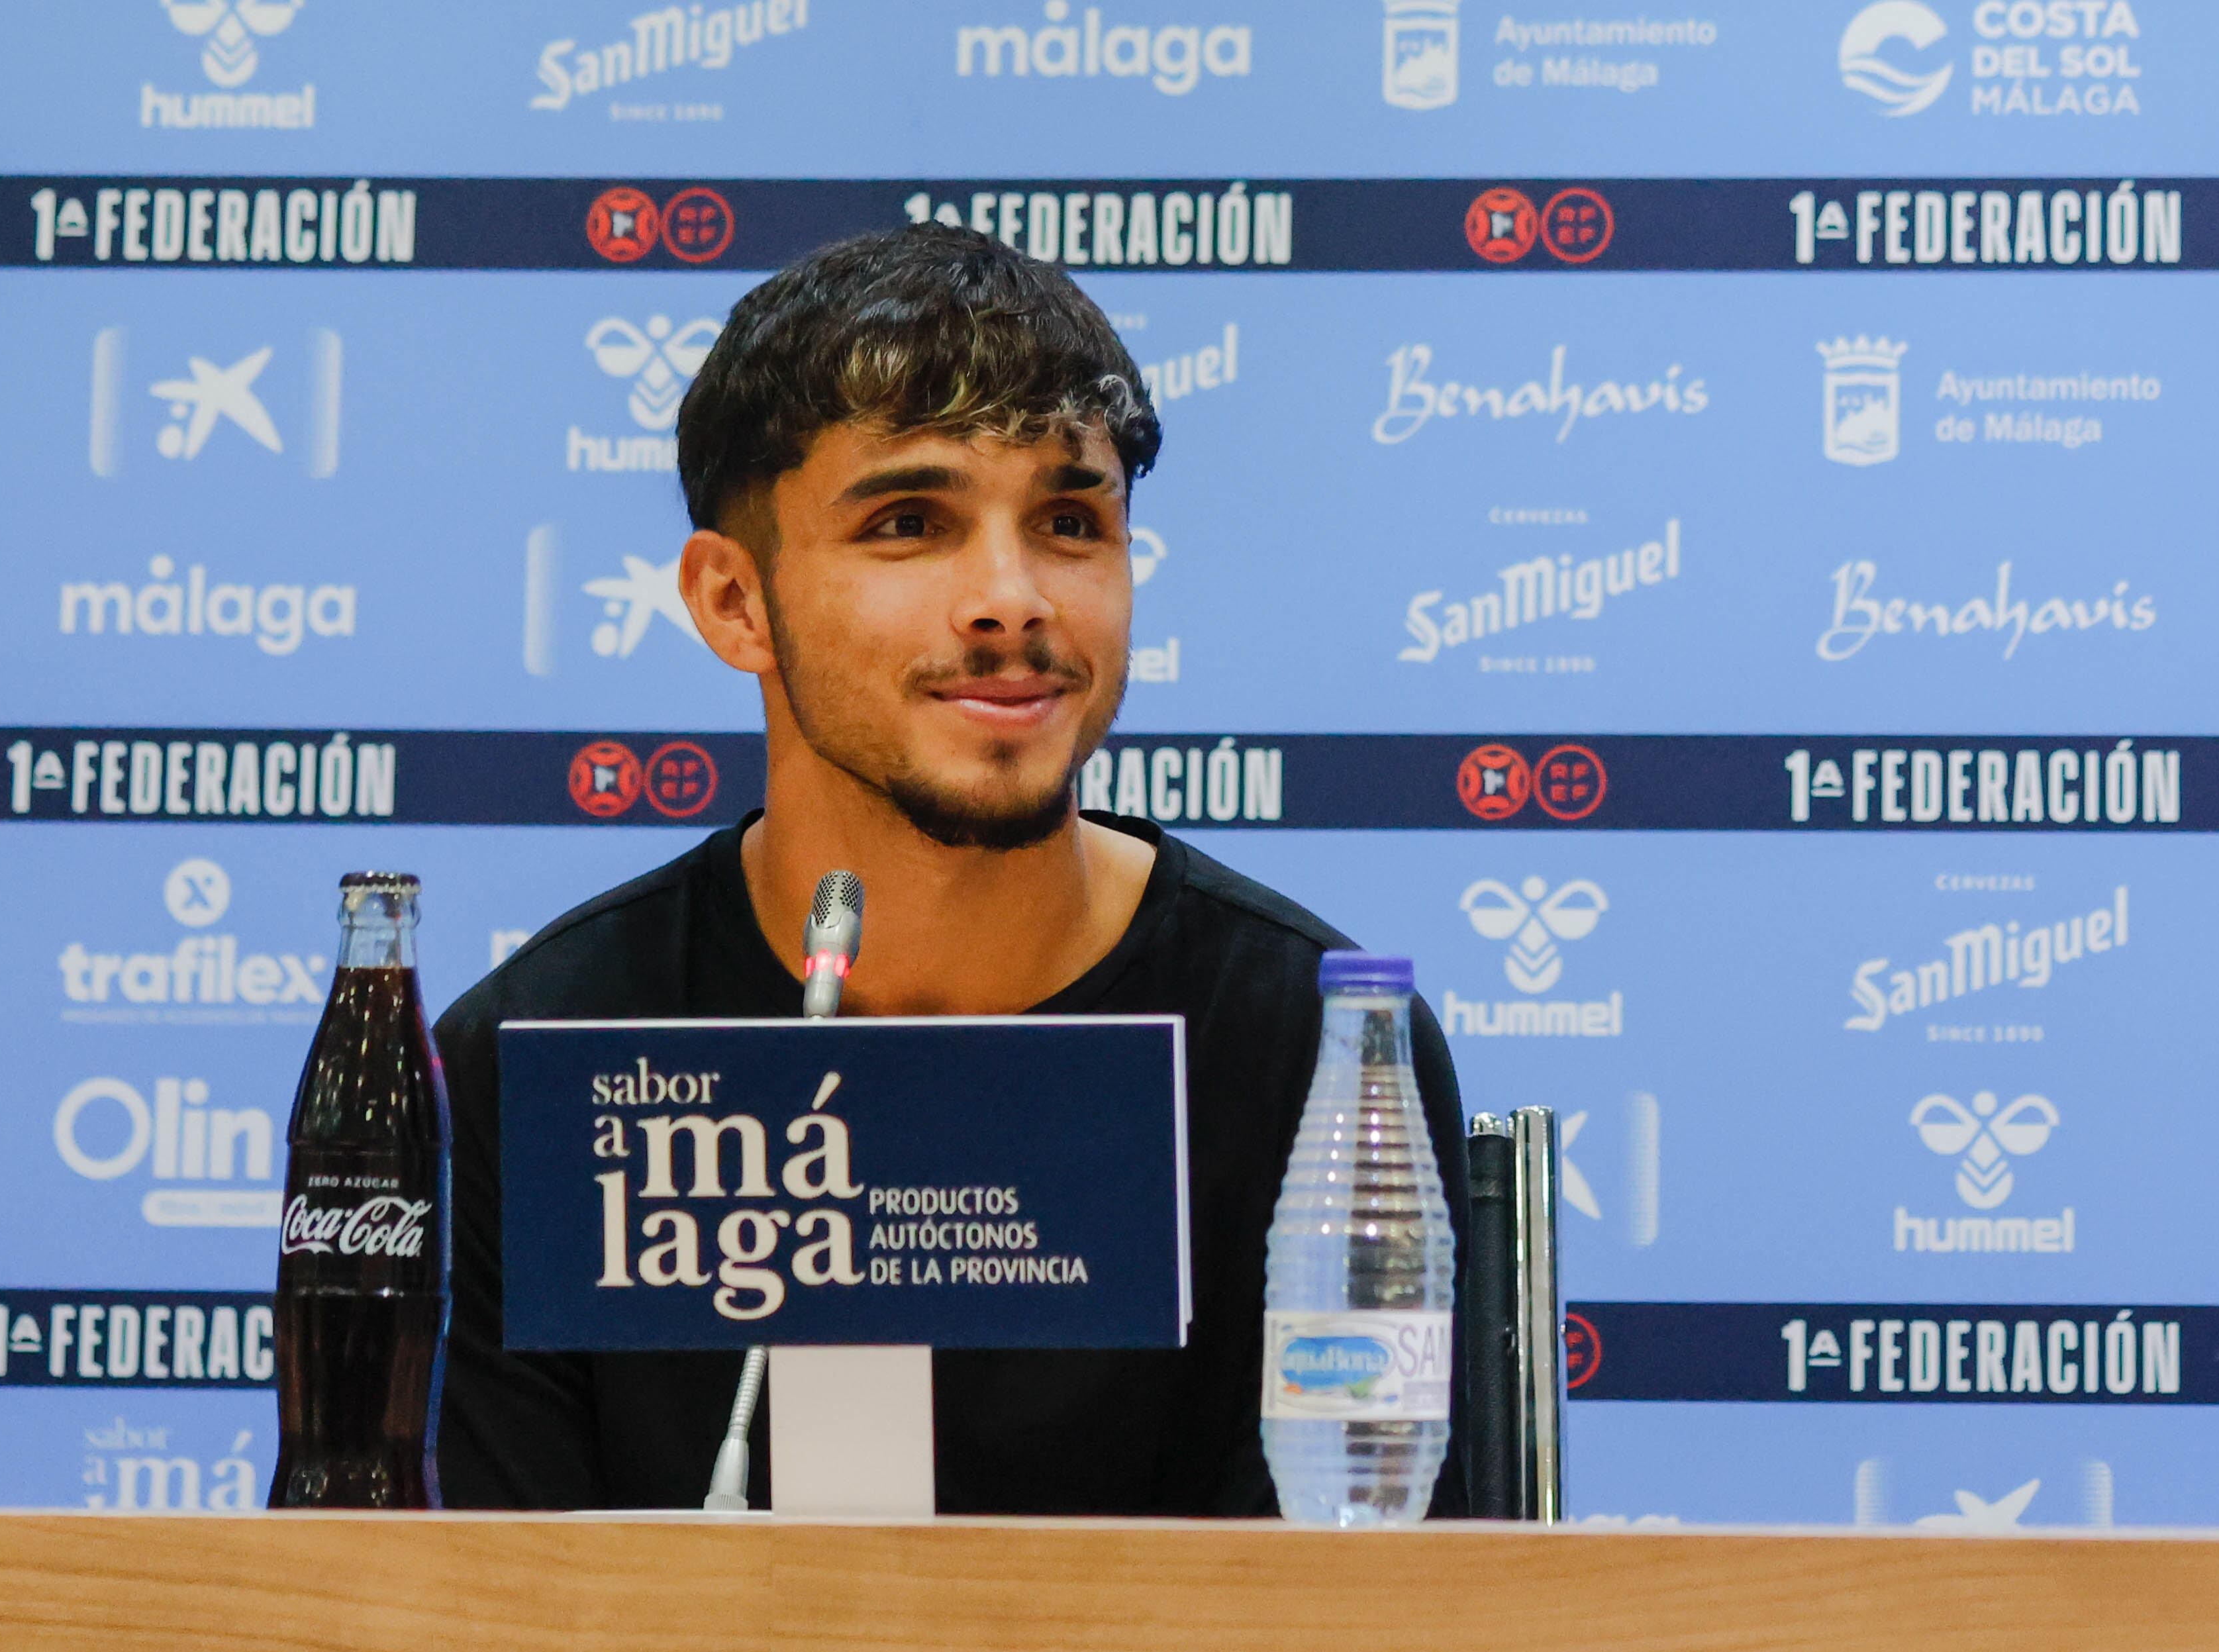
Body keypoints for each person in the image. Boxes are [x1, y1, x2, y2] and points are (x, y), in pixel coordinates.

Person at [435, 224, 1467, 1516]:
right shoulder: (538, 1057)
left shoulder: (1321, 1050)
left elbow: (1376, 1636)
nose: (1010, 598)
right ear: (732, 603)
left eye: (1069, 522)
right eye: (911, 523)